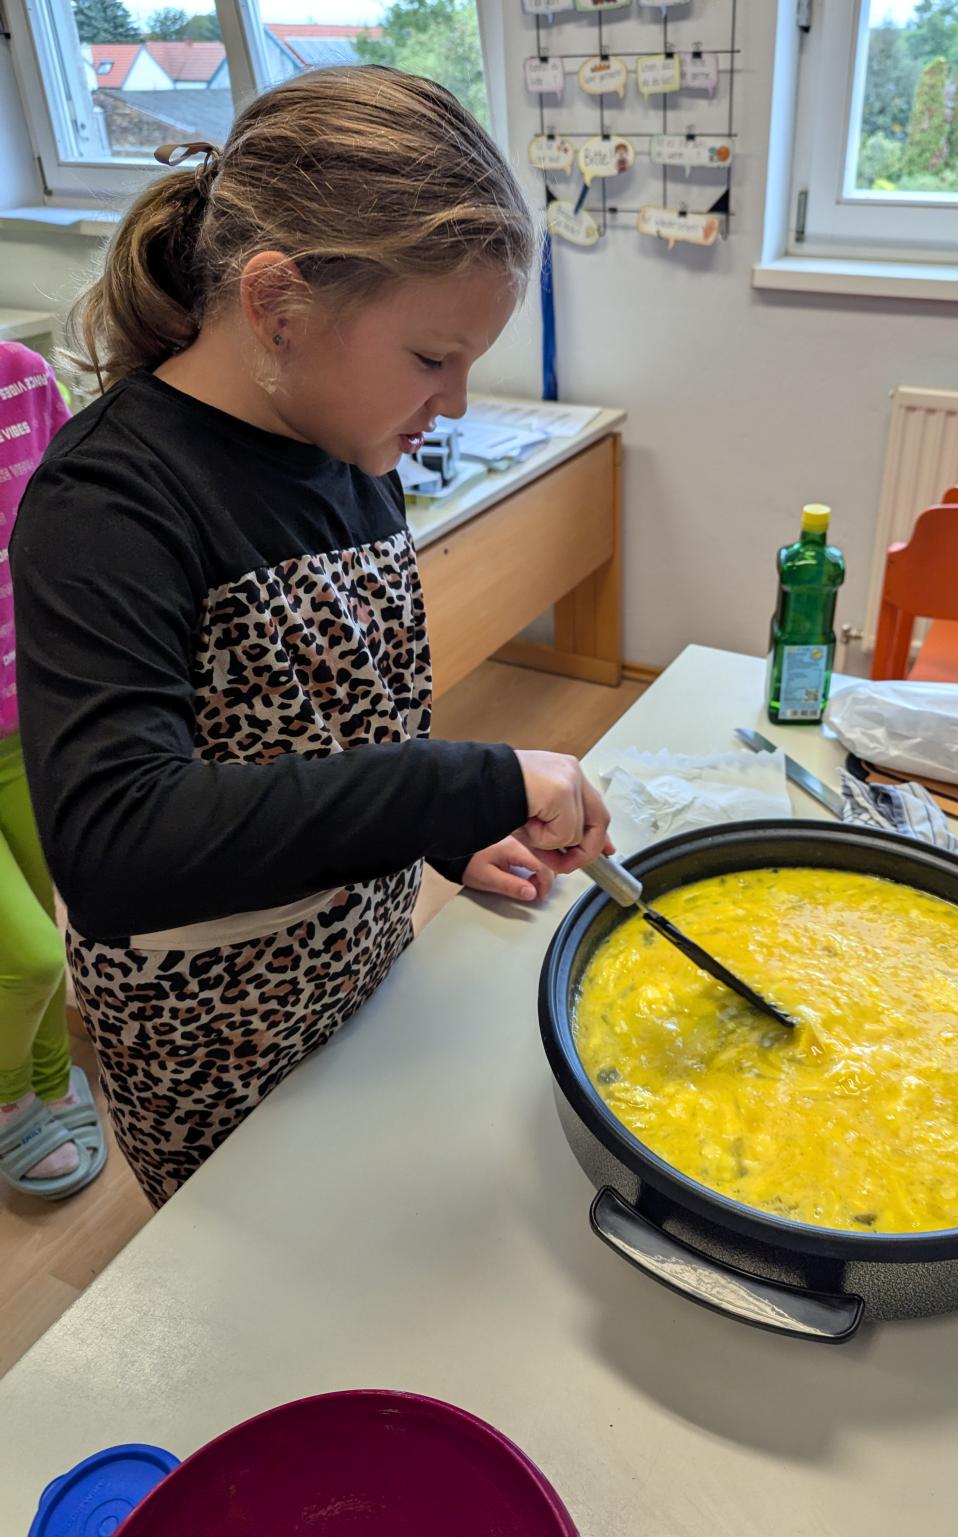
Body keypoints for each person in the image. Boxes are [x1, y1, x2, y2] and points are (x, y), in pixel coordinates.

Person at [11, 67, 611, 1208]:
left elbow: (345, 725)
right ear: (278, 302)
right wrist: (456, 786)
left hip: (366, 974)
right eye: (432, 359)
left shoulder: (350, 450)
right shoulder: (109, 501)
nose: (456, 401)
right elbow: (117, 842)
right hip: (213, 1042)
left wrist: (446, 834)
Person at [0, 341, 107, 1200]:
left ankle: (42, 1078)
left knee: (46, 922)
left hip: (26, 722)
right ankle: (7, 1098)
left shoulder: (23, 376)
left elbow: (77, 520)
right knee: (31, 958)